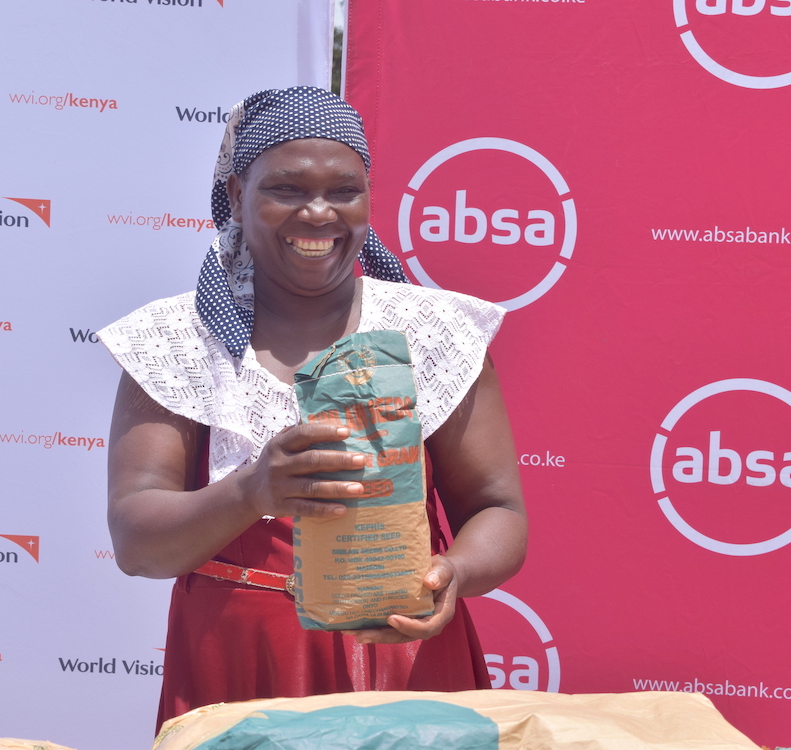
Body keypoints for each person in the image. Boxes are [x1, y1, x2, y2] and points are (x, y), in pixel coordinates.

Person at [98, 86, 526, 731]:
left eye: (344, 190)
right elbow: (138, 543)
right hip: (239, 670)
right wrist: (252, 489)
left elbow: (499, 509)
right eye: (287, 189)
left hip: (402, 662)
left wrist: (453, 574)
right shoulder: (177, 341)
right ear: (239, 193)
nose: (319, 213)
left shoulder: (434, 332)